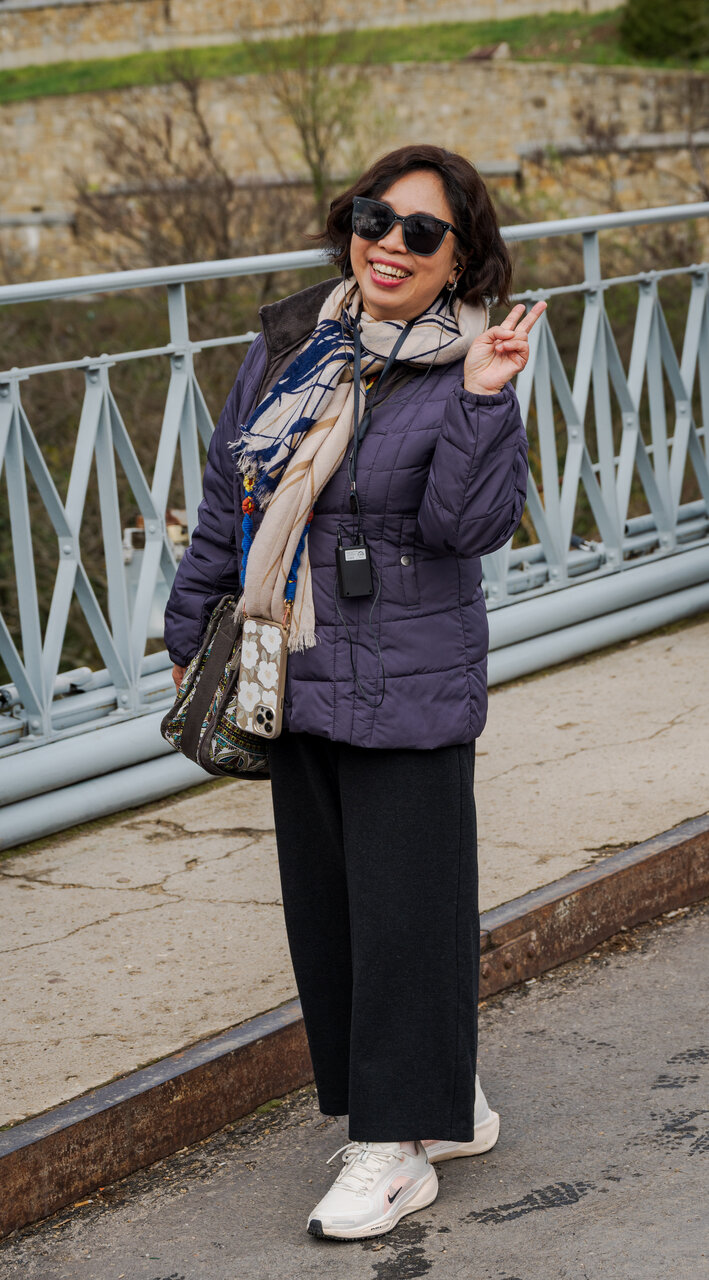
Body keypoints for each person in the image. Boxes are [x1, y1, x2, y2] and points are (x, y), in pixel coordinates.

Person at [164, 143, 546, 1242]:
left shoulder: (471, 363)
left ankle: (395, 1148)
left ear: (460, 261)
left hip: (410, 676)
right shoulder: (291, 342)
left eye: (422, 232)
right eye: (376, 217)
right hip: (294, 665)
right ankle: (439, 1102)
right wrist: (191, 627)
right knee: (329, 913)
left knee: (407, 917)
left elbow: (467, 528)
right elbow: (232, 491)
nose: (390, 243)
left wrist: (482, 403)